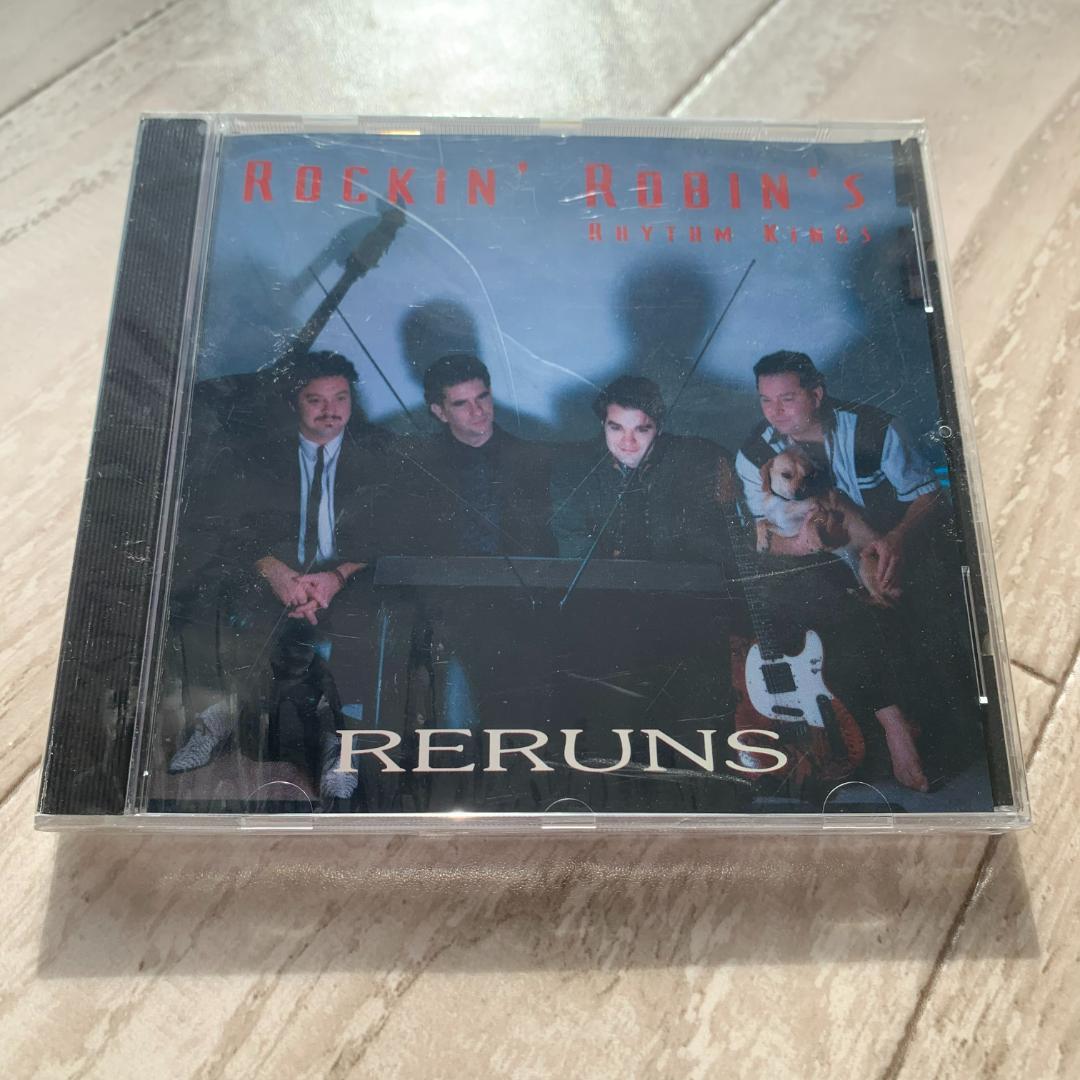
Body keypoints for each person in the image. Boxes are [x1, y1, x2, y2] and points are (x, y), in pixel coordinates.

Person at [167, 351, 399, 802]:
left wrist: (336, 577)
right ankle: (220, 718)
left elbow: (391, 534)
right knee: (243, 612)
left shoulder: (381, 451)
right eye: (316, 400)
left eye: (340, 398)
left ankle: (341, 744)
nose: (331, 411)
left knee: (361, 623)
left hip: (349, 582)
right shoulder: (260, 456)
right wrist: (275, 572)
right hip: (274, 579)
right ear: (295, 403)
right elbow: (228, 527)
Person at [733, 350, 944, 793]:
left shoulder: (875, 428)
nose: (775, 412)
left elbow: (928, 495)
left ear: (816, 394)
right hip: (812, 561)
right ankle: (895, 726)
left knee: (870, 601)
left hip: (889, 546)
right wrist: (804, 544)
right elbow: (762, 537)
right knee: (833, 601)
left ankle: (893, 726)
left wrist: (897, 539)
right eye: (766, 400)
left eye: (787, 398)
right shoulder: (755, 454)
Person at [549, 376, 744, 813]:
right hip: (608, 625)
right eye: (616, 428)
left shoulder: (695, 461)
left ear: (659, 426)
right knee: (611, 733)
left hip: (683, 623)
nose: (628, 442)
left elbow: (706, 547)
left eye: (642, 429)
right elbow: (572, 549)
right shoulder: (574, 471)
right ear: (602, 425)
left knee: (692, 737)